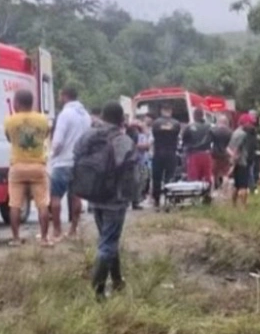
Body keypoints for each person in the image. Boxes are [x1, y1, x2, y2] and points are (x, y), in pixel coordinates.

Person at [73, 101, 136, 302]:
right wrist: (133, 196)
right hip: (115, 199)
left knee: (108, 239)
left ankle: (117, 281)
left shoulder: (88, 136)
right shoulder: (123, 140)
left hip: (93, 195)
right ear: (120, 120)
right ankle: (97, 290)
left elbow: (76, 154)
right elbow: (131, 171)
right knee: (108, 243)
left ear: (102, 116)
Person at [3, 89, 52, 247]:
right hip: (37, 166)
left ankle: (16, 238)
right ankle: (44, 238)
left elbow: (9, 139)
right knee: (42, 203)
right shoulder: (43, 120)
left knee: (15, 204)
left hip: (17, 166)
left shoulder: (10, 121)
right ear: (32, 103)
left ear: (17, 102)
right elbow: (45, 135)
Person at [48, 86, 91, 241]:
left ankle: (57, 230)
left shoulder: (65, 114)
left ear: (64, 96)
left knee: (55, 197)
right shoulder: (86, 115)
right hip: (80, 162)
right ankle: (73, 229)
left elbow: (58, 141)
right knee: (76, 196)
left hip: (63, 162)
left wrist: (53, 154)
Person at [150, 103, 181, 208]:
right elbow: (177, 136)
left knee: (157, 178)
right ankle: (169, 199)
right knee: (169, 177)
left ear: (162, 111)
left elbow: (154, 135)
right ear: (170, 111)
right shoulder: (176, 124)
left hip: (158, 152)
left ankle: (156, 200)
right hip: (171, 153)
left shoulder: (156, 123)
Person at [182, 108, 213, 186]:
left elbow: (184, 141)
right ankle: (207, 195)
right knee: (207, 177)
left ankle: (195, 196)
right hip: (206, 154)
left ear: (194, 116)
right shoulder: (209, 127)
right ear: (203, 115)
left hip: (193, 155)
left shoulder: (189, 127)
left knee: (193, 178)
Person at [227, 113, 254, 206]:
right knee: (243, 186)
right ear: (245, 123)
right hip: (242, 162)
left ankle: (234, 205)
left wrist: (232, 163)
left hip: (235, 163)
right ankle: (244, 206)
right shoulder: (243, 134)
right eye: (249, 123)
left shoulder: (235, 132)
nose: (251, 125)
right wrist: (235, 160)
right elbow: (237, 149)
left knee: (236, 185)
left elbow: (228, 148)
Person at [210, 115, 233, 194]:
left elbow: (210, 142)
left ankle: (212, 190)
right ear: (226, 122)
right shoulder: (230, 132)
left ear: (219, 121)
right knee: (225, 174)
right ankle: (224, 192)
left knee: (213, 174)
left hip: (214, 155)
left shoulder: (213, 130)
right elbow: (231, 145)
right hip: (225, 155)